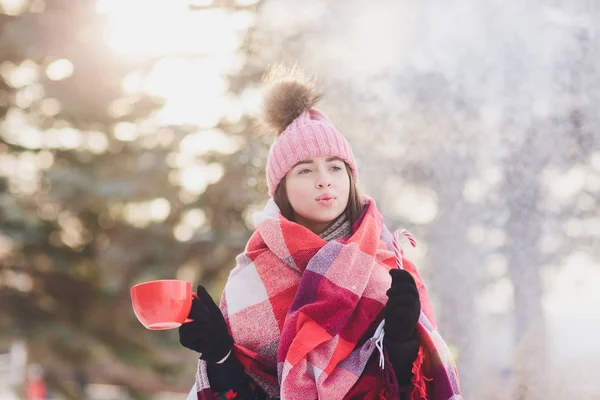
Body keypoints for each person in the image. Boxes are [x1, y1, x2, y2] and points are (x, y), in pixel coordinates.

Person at [179, 65, 461, 400]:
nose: (324, 179)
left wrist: (402, 343)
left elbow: (418, 389)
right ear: (280, 189)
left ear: (350, 179)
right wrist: (220, 354)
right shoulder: (250, 282)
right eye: (305, 169)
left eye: (335, 167)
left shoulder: (389, 272)